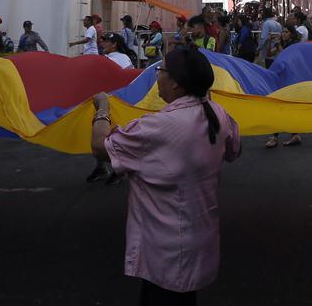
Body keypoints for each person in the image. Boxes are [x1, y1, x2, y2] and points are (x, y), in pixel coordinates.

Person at [90, 47, 240, 303]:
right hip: (199, 236)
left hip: (166, 248)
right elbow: (233, 150)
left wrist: (103, 107)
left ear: (178, 84)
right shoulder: (218, 113)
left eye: (161, 70)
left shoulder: (157, 127)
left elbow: (100, 146)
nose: (156, 75)